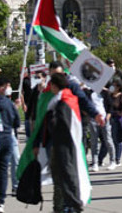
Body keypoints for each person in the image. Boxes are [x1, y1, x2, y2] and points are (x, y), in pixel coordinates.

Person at [34, 72, 89, 213]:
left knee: (64, 176)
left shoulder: (62, 102)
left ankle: (70, 206)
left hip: (62, 144)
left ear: (54, 85)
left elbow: (57, 124)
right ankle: (69, 205)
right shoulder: (65, 99)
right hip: (63, 143)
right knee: (64, 176)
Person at [0, 76, 20, 213]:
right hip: (7, 139)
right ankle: (0, 202)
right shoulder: (9, 104)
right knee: (3, 170)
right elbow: (17, 123)